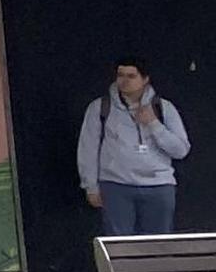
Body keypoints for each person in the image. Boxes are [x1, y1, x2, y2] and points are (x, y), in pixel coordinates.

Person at [80, 58, 190, 237]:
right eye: (120, 75)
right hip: (116, 185)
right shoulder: (100, 107)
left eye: (131, 76)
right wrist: (90, 186)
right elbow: (88, 149)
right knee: (119, 247)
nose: (124, 81)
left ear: (145, 79)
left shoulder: (163, 107)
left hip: (158, 185)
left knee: (158, 245)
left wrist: (154, 124)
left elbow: (181, 150)